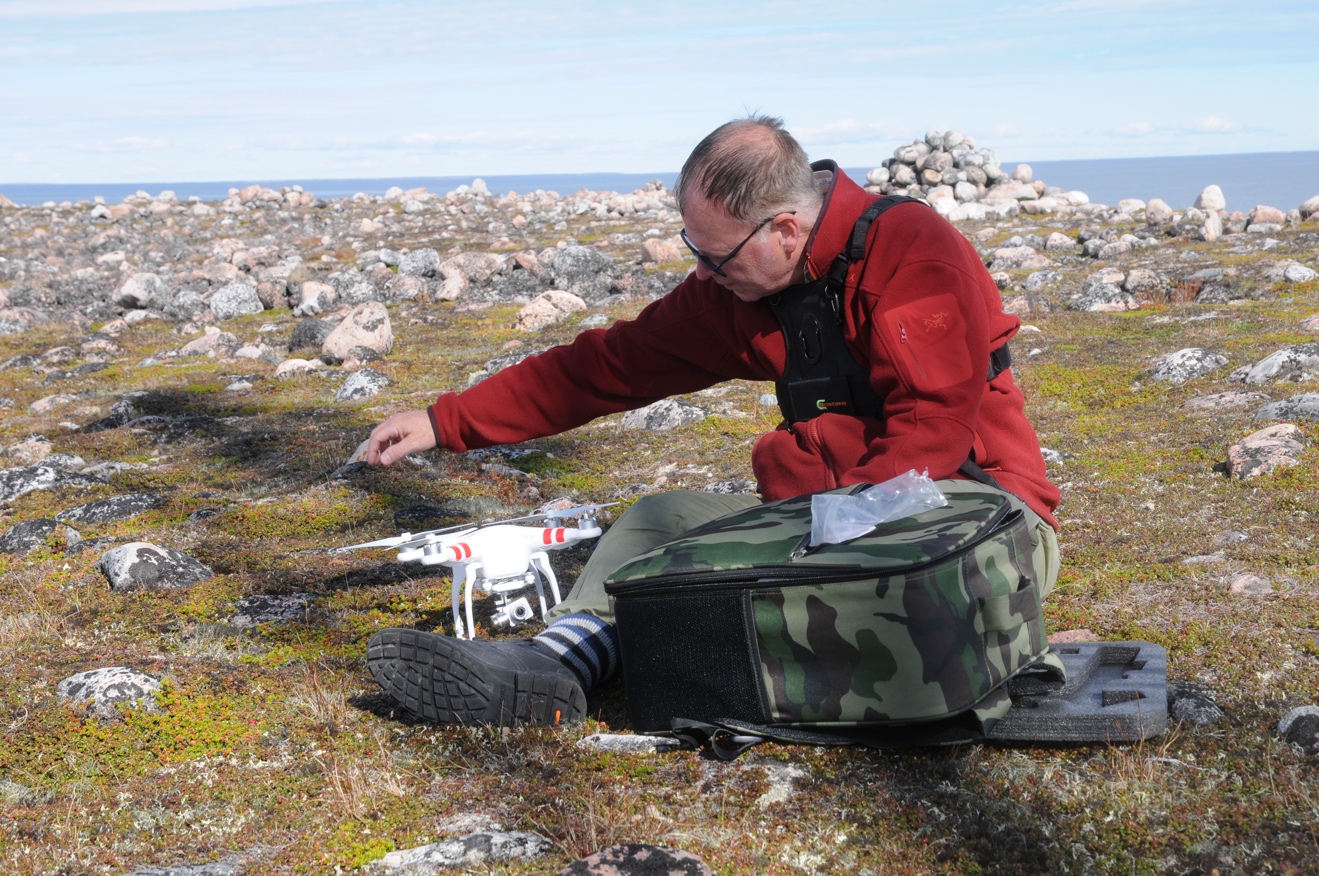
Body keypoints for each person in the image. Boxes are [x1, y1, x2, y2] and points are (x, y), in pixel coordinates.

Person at [363, 115, 1061, 728]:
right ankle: (552, 668)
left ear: (785, 229)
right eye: (693, 248)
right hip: (830, 510)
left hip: (977, 516)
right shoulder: (739, 288)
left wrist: (810, 534)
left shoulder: (911, 249)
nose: (702, 270)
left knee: (772, 575)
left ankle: (695, 639)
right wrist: (444, 420)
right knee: (659, 520)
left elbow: (928, 434)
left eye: (714, 255)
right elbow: (607, 366)